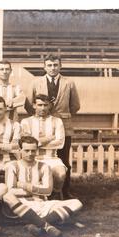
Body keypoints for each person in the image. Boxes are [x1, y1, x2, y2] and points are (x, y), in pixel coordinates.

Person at [3, 136, 83, 237]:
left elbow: (48, 191)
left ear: (37, 150)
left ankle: (37, 225)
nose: (30, 154)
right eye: (26, 150)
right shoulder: (12, 166)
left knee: (76, 203)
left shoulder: (44, 166)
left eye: (33, 150)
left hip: (41, 204)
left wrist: (24, 185)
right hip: (22, 205)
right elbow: (10, 191)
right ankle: (47, 223)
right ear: (20, 151)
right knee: (9, 197)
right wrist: (37, 188)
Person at [28, 54, 80, 199]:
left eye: (55, 65)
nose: (52, 68)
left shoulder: (69, 83)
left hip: (64, 125)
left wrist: (62, 116)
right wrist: (41, 117)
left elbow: (75, 106)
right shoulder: (35, 83)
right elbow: (29, 105)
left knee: (64, 160)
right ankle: (42, 189)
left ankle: (64, 191)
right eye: (49, 65)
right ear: (44, 66)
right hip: (41, 126)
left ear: (60, 66)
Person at [21, 94, 67, 198]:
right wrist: (49, 138)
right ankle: (35, 195)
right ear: (34, 105)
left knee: (61, 175)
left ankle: (54, 194)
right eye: (40, 105)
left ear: (50, 106)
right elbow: (27, 143)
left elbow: (60, 143)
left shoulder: (57, 121)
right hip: (32, 157)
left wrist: (36, 143)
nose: (42, 108)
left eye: (45, 105)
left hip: (51, 158)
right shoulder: (26, 122)